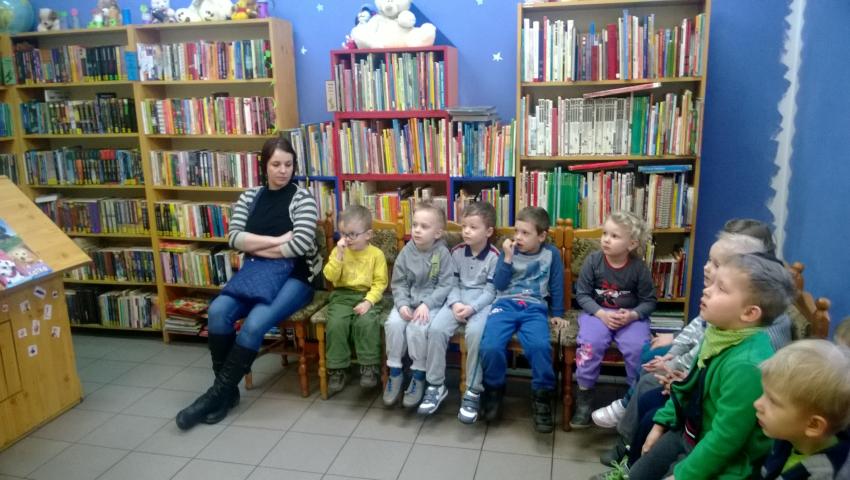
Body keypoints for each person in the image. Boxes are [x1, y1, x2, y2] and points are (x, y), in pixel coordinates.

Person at [597, 219, 791, 467]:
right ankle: (627, 427)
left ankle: (627, 444)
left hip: (703, 398)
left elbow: (712, 361)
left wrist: (680, 374)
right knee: (649, 355)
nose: (707, 269)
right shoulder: (729, 303)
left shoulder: (754, 339)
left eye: (718, 264)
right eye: (711, 261)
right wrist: (676, 349)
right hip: (696, 381)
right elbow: (701, 332)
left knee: (648, 391)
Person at [175, 137, 322, 430]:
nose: (283, 170)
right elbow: (233, 238)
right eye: (276, 164)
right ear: (264, 165)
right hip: (256, 274)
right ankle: (227, 394)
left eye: (288, 164)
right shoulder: (250, 197)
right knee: (218, 311)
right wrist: (278, 241)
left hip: (297, 276)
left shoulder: (303, 198)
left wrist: (255, 246)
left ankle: (215, 396)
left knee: (254, 324)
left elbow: (300, 244)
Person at [627, 253, 796, 480]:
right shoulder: (719, 334)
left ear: (749, 313)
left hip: (726, 460)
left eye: (721, 289)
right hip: (691, 433)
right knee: (638, 474)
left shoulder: (746, 365)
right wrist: (660, 424)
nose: (707, 290)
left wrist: (683, 475)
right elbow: (688, 386)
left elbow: (725, 440)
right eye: (713, 284)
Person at [478, 206, 565, 433]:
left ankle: (542, 396)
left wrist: (557, 313)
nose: (518, 237)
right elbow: (499, 284)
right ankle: (494, 391)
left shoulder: (551, 254)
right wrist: (507, 258)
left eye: (525, 233)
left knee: (539, 347)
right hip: (504, 304)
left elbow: (557, 284)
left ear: (542, 236)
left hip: (534, 307)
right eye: (516, 231)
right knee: (490, 346)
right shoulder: (507, 249)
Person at [571, 211, 656, 429]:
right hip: (597, 314)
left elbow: (649, 301)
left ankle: (632, 400)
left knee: (638, 348)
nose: (606, 239)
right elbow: (582, 295)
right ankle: (584, 397)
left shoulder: (638, 268)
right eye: (605, 233)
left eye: (615, 236)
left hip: (629, 317)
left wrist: (633, 315)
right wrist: (601, 314)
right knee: (590, 345)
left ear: (632, 244)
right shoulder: (593, 261)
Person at [418, 202, 500, 422]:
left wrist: (472, 308)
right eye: (464, 226)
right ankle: (435, 384)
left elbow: (491, 291)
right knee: (436, 329)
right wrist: (454, 304)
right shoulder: (455, 252)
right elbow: (451, 283)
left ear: (489, 231)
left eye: (473, 227)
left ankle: (473, 390)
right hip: (456, 299)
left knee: (476, 334)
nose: (466, 231)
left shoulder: (494, 256)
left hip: (480, 303)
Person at [383, 203, 456, 408]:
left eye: (424, 226)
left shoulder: (442, 253)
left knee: (418, 328)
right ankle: (395, 372)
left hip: (431, 304)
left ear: (437, 233)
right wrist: (402, 304)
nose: (417, 230)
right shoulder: (406, 252)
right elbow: (399, 283)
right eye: (414, 225)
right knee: (393, 325)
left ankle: (418, 375)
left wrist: (427, 304)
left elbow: (445, 285)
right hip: (407, 301)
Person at [754, 339, 850, 479]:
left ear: (813, 425)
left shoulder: (824, 475)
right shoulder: (789, 435)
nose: (757, 404)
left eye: (773, 401)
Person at [322, 204, 388, 397]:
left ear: (368, 235)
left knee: (366, 322)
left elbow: (380, 283)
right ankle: (337, 369)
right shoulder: (339, 251)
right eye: (343, 234)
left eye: (352, 234)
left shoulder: (376, 255)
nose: (346, 239)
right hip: (342, 295)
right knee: (336, 324)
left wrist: (368, 302)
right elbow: (330, 276)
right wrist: (339, 255)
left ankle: (369, 366)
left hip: (367, 296)